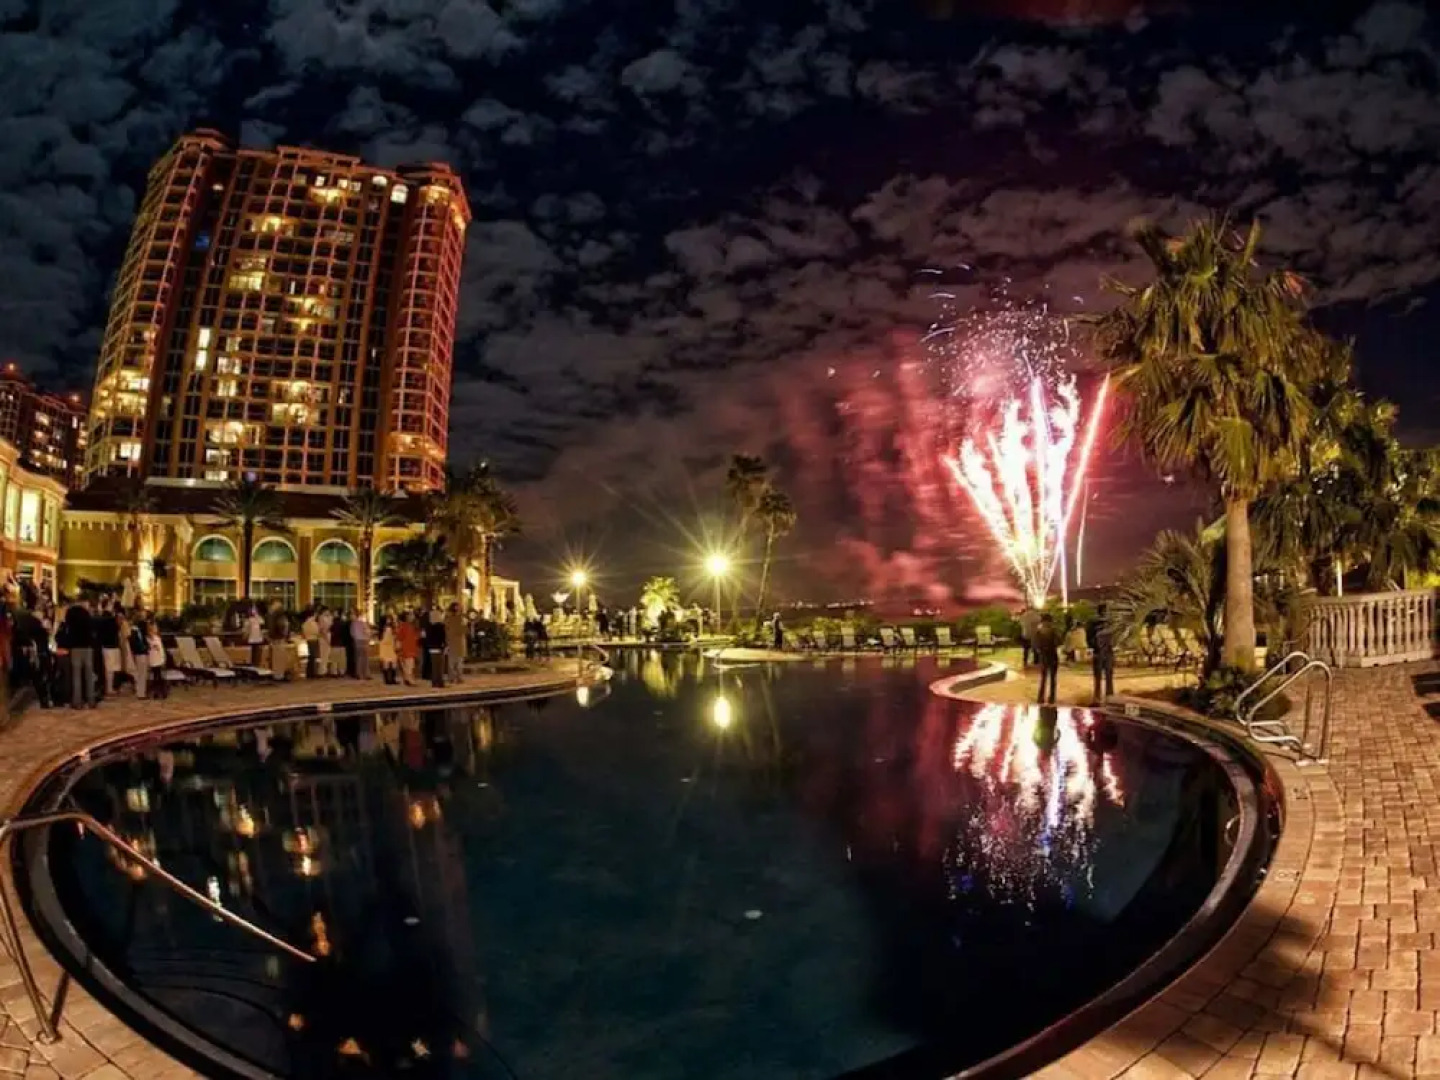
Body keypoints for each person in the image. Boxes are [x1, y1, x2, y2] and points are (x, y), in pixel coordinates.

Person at [64, 599, 97, 709]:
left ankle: (77, 702)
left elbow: (67, 629)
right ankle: (91, 700)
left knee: (76, 676)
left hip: (75, 647)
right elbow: (92, 628)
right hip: (87, 646)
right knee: (89, 675)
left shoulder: (70, 614)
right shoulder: (86, 614)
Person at [1087, 603, 1116, 703]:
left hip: (1102, 651)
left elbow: (1089, 637)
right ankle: (1106, 697)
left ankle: (1100, 697)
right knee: (1105, 676)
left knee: (1102, 676)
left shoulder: (1094, 623)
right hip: (1103, 652)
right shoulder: (1108, 622)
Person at [1032, 612, 1061, 705]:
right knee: (1051, 678)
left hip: (1045, 657)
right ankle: (1051, 698)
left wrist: (1039, 652)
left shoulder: (1039, 632)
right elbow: (1058, 642)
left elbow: (1035, 645)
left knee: (1044, 678)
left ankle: (1041, 697)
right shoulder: (1053, 631)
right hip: (1052, 656)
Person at [129, 616, 151, 699]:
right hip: (140, 654)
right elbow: (136, 643)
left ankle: (141, 692)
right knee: (142, 674)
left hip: (140, 653)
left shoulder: (137, 631)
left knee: (141, 673)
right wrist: (145, 648)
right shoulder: (135, 631)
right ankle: (141, 693)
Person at [395, 612, 420, 685]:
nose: (412, 617)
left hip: (410, 648)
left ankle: (407, 679)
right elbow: (399, 637)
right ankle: (409, 679)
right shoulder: (405, 626)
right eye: (410, 616)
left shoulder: (409, 626)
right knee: (409, 665)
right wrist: (398, 647)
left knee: (407, 665)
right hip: (407, 648)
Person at [444, 602, 466, 684]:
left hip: (454, 643)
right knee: (456, 662)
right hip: (455, 643)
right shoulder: (459, 619)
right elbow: (463, 630)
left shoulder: (449, 619)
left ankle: (454, 678)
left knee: (453, 662)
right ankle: (457, 677)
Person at [424, 610, 447, 688]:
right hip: (439, 647)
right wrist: (444, 645)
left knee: (434, 666)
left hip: (431, 647)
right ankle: (440, 682)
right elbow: (443, 637)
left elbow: (427, 637)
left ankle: (434, 682)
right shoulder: (440, 626)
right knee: (440, 666)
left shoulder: (429, 626)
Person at [377, 615, 398, 685]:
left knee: (390, 662)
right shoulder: (388, 628)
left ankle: (389, 679)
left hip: (387, 646)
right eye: (388, 619)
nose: (389, 621)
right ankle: (390, 679)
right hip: (388, 646)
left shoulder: (384, 628)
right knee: (389, 662)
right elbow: (389, 638)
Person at [350, 610, 371, 679]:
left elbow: (352, 634)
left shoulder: (354, 624)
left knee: (359, 658)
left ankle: (359, 674)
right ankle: (366, 674)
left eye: (352, 615)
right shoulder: (362, 622)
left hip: (358, 641)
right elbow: (368, 632)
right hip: (364, 640)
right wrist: (367, 638)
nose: (351, 616)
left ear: (356, 615)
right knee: (365, 658)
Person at [301, 608, 321, 680]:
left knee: (311, 657)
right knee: (313, 657)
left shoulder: (305, 623)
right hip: (313, 640)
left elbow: (303, 633)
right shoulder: (313, 623)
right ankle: (312, 673)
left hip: (308, 640)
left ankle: (310, 673)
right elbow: (317, 631)